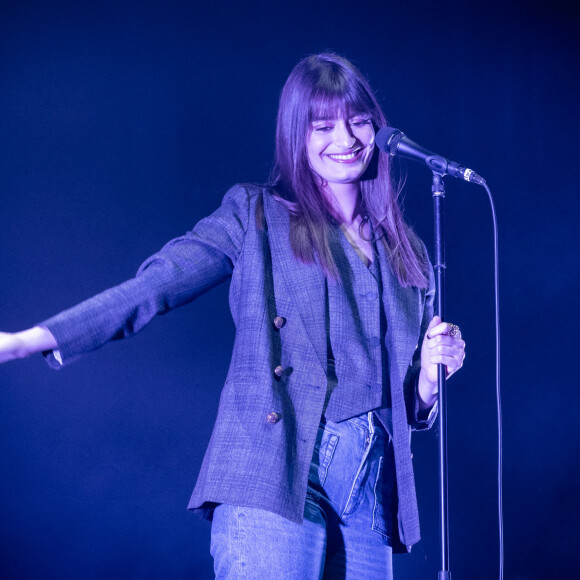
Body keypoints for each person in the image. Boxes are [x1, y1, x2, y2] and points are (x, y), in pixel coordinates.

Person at [0, 53, 465, 579]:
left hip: (370, 491)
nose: (346, 138)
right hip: (281, 467)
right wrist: (30, 339)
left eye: (358, 121)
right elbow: (158, 283)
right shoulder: (256, 216)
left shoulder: (409, 253)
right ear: (298, 136)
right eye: (323, 125)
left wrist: (428, 378)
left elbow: (405, 402)